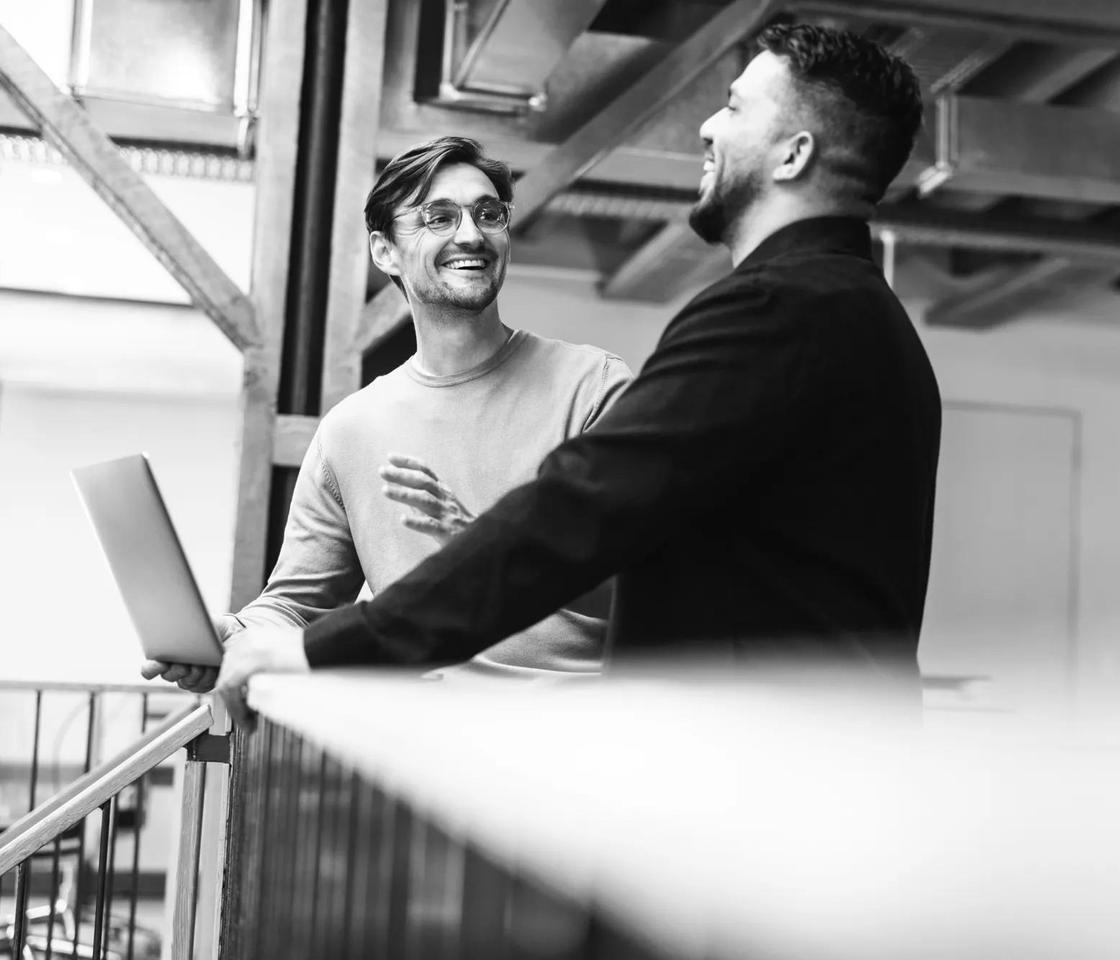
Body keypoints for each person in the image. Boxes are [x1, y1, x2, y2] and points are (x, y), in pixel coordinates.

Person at [213, 22, 940, 713]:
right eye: (436, 218)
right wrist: (257, 639)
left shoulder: (776, 313)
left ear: (793, 156)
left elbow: (574, 519)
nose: (707, 127)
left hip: (770, 782)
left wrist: (331, 648)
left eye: (732, 107)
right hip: (799, 774)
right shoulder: (859, 316)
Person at [143, 136, 631, 690]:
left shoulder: (593, 387)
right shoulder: (352, 429)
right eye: (438, 217)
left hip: (563, 738)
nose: (471, 234)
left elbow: (656, 582)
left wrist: (498, 549)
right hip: (406, 740)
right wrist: (236, 635)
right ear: (384, 251)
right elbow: (297, 607)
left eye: (488, 213)